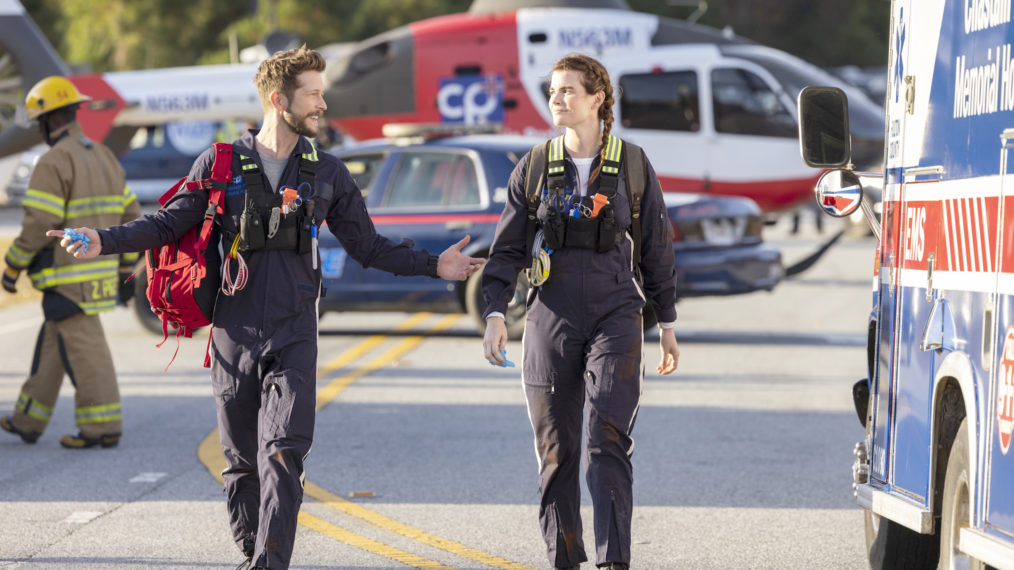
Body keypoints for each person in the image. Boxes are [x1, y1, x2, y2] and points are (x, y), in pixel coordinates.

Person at [49, 47, 484, 570]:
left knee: (283, 450)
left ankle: (269, 563)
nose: (323, 104)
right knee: (240, 465)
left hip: (295, 329)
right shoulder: (219, 164)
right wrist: (102, 240)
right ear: (280, 100)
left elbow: (368, 246)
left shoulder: (328, 173)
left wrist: (435, 265)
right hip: (234, 331)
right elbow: (167, 223)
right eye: (314, 94)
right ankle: (255, 550)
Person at [480, 54, 680, 570]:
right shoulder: (535, 166)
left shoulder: (633, 164)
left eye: (569, 90)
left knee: (605, 439)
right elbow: (506, 250)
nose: (557, 98)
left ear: (598, 99)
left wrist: (669, 324)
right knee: (556, 450)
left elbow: (657, 247)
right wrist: (495, 313)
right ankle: (563, 557)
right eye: (553, 90)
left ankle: (615, 562)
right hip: (550, 314)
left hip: (617, 312)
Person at [1, 76, 141, 449]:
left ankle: (102, 426)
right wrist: (127, 266)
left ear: (47, 121)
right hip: (98, 275)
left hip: (68, 275)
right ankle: (27, 419)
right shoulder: (102, 154)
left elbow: (37, 225)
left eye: (39, 123)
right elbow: (131, 212)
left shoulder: (54, 160)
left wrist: (13, 266)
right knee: (56, 339)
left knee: (85, 347)